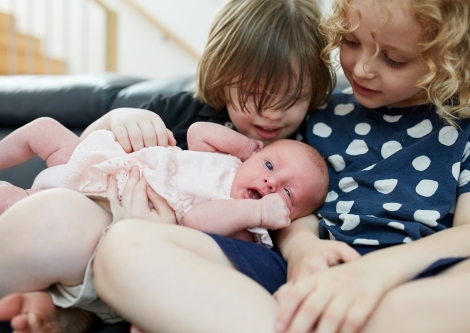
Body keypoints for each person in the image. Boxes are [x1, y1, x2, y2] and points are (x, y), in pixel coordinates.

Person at [19, 0, 470, 332]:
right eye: (350, 42)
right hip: (292, 271)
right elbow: (290, 202)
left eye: (394, 58)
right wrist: (303, 251)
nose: (364, 70)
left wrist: (373, 276)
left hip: (419, 279)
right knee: (124, 243)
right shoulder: (324, 109)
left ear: (458, 57)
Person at [0, 0, 339, 331]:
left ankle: (65, 309)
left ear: (315, 91)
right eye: (253, 93)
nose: (271, 113)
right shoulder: (179, 112)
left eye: (291, 98)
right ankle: (55, 304)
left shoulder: (308, 153)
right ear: (222, 75)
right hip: (99, 195)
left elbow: (287, 226)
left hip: (148, 244)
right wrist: (117, 118)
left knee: (55, 221)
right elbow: (84, 153)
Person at [0, 118, 329, 246]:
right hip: (96, 162)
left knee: (17, 206)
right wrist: (245, 147)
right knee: (43, 129)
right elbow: (198, 132)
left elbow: (196, 221)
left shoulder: (247, 225)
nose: (270, 181)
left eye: (287, 192)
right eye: (269, 164)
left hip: (96, 203)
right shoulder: (231, 162)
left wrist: (257, 214)